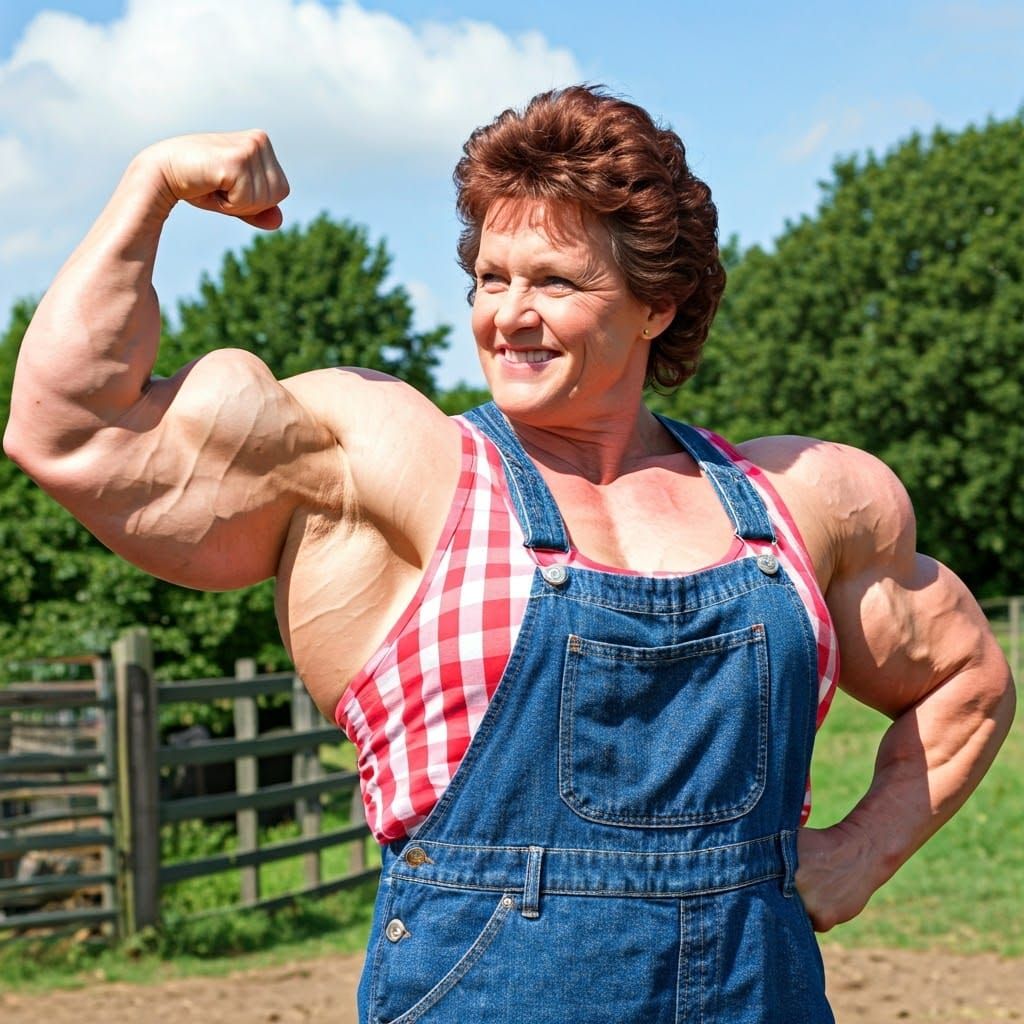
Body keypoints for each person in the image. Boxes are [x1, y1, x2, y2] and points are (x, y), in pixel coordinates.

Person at [4, 86, 1014, 1022]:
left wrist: (859, 853)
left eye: (553, 280)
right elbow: (71, 431)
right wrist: (153, 188)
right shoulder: (397, 461)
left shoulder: (798, 501)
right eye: (491, 276)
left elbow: (962, 678)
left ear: (654, 304)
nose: (507, 313)